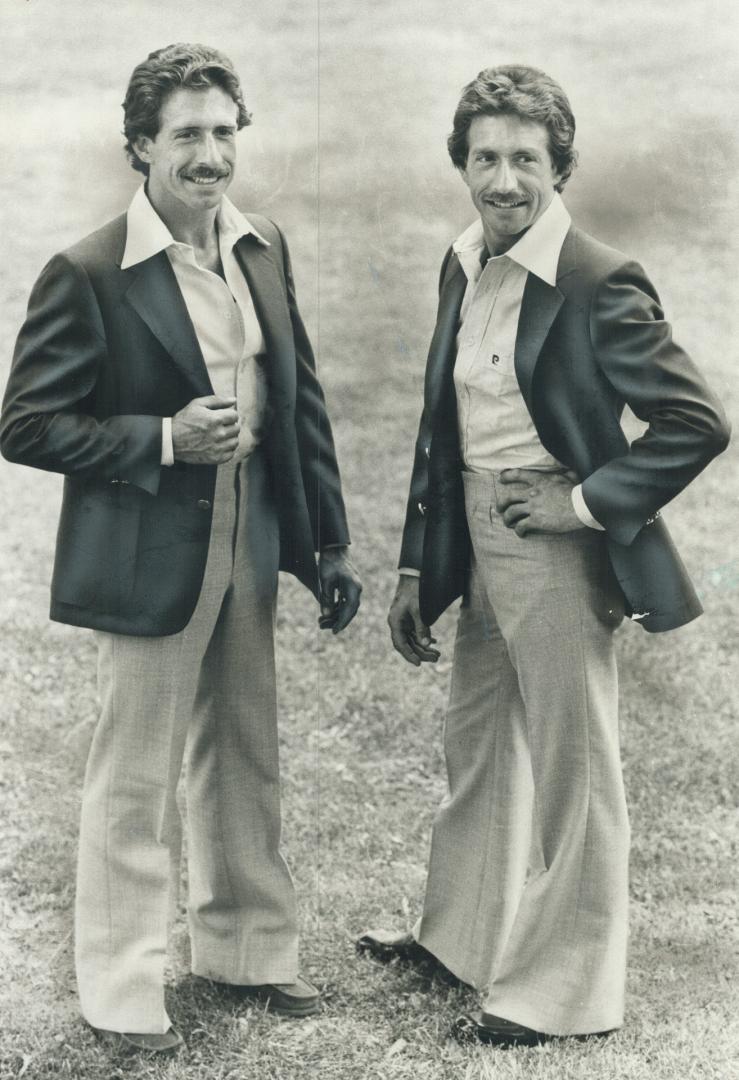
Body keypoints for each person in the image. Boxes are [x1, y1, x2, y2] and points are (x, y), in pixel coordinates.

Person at [358, 64, 729, 1047]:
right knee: (476, 739)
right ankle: (457, 939)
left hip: (553, 547)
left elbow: (695, 422)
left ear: (559, 167)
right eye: (485, 156)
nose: (503, 179)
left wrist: (583, 503)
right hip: (474, 536)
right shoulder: (461, 258)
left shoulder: (599, 280)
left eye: (526, 158)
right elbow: (444, 429)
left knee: (574, 766)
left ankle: (563, 992)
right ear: (461, 163)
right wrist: (413, 568)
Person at [1, 43, 361, 1055]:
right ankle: (118, 989)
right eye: (186, 136)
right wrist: (160, 439)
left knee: (244, 745)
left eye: (222, 132)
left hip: (251, 529)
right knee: (135, 770)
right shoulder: (88, 272)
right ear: (139, 149)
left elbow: (303, 405)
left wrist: (324, 540)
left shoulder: (260, 245)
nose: (209, 155)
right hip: (151, 542)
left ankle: (245, 950)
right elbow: (24, 423)